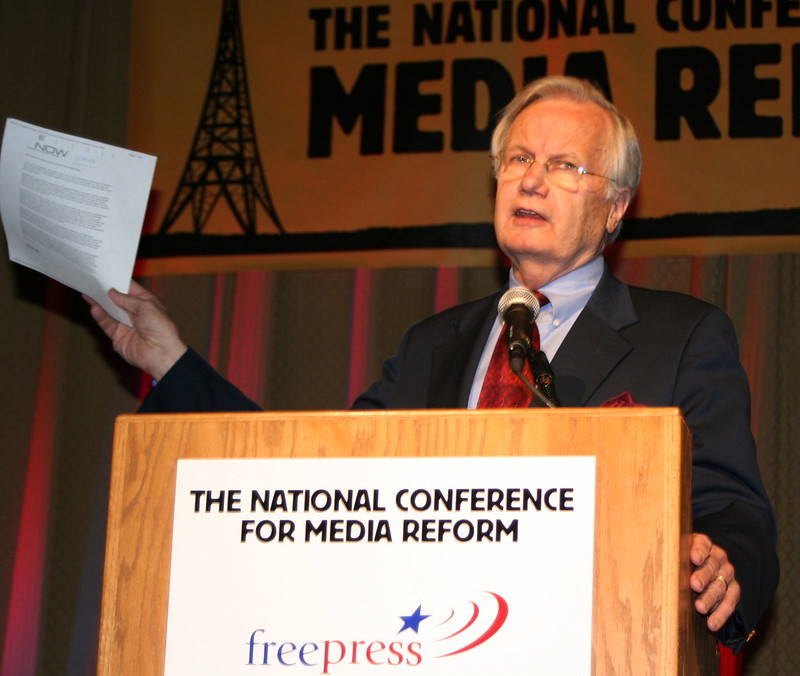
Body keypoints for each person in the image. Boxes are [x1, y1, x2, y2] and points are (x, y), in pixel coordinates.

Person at [86, 76, 778, 652]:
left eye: (564, 166)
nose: (532, 181)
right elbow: (311, 486)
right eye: (517, 160)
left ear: (615, 207)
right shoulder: (432, 345)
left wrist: (724, 564)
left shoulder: (684, 335)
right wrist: (171, 362)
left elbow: (735, 512)